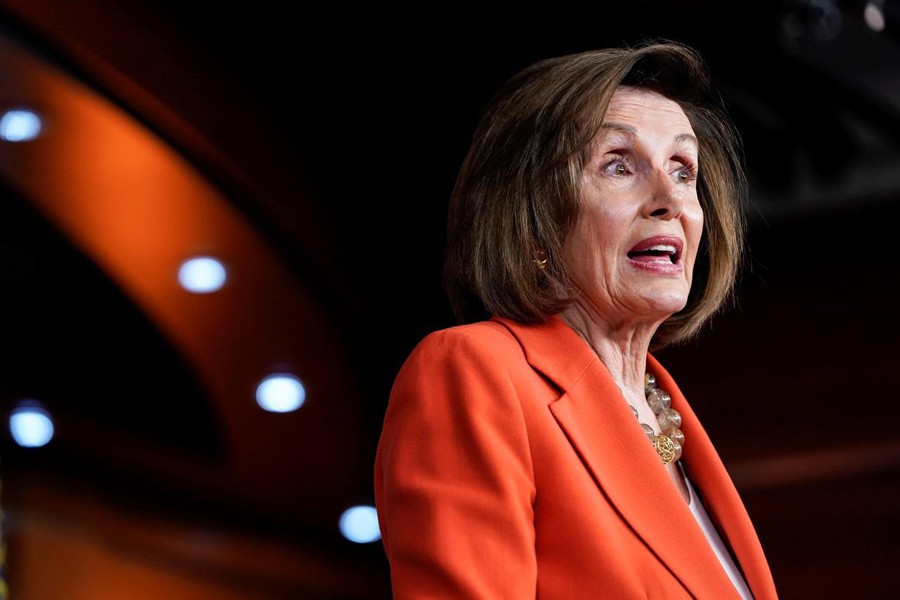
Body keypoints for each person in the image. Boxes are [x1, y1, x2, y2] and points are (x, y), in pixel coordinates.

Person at [373, 39, 778, 599]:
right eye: (618, 164)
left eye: (683, 170)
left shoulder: (665, 404)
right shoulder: (474, 371)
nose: (669, 199)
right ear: (535, 216)